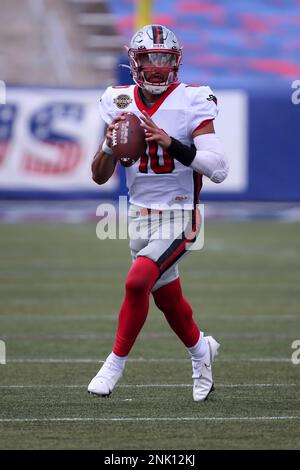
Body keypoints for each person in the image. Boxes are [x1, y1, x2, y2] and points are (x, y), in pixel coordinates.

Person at [88, 24, 229, 401]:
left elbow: (218, 168)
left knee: (137, 281)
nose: (155, 66)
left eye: (163, 58)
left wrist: (171, 143)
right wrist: (107, 146)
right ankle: (202, 352)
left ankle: (114, 364)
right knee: (167, 299)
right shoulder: (116, 99)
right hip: (138, 216)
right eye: (149, 58)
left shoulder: (193, 100)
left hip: (181, 215)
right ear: (135, 62)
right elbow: (99, 177)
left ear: (175, 62)